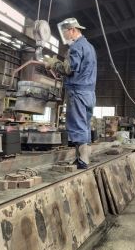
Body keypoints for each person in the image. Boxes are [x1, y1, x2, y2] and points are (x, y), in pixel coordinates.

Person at [46, 18, 97, 169]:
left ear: (72, 30)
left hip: (78, 92)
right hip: (89, 93)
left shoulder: (76, 47)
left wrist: (53, 63)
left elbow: (69, 69)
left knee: (77, 125)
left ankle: (83, 161)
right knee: (85, 125)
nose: (65, 36)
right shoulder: (89, 47)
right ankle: (82, 158)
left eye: (65, 33)